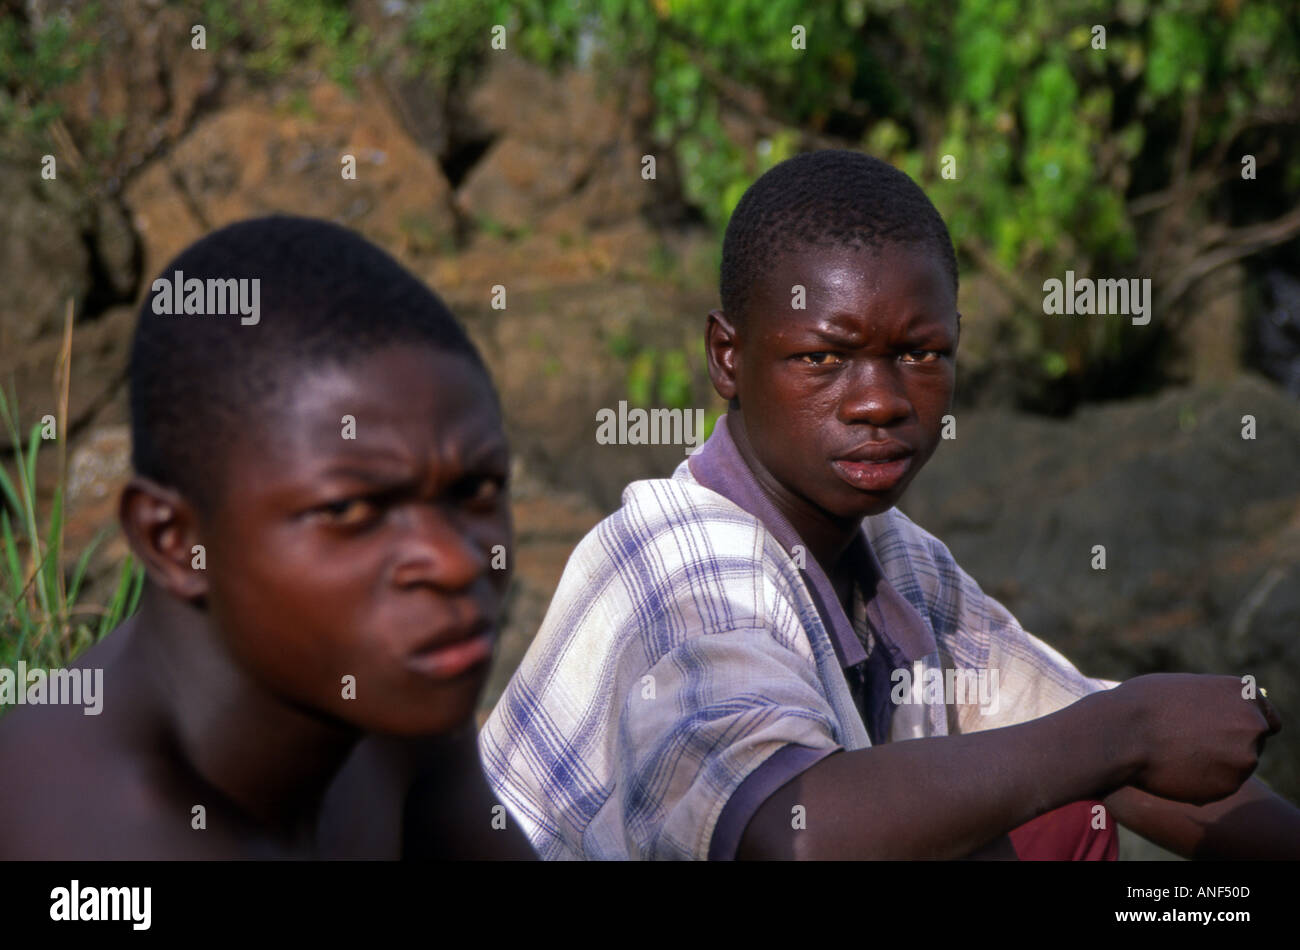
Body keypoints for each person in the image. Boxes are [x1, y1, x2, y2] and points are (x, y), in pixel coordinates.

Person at [479, 150, 1299, 860]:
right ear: (727, 358)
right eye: (822, 358)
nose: (879, 400)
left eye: (919, 354)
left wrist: (1133, 738)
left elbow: (1096, 742)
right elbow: (788, 835)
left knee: (1061, 816)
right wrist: (1133, 728)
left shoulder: (894, 560)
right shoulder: (681, 563)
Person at [0, 216, 533, 859]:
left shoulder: (384, 694)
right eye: (350, 509)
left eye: (474, 490)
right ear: (172, 540)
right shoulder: (90, 843)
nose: (453, 561)